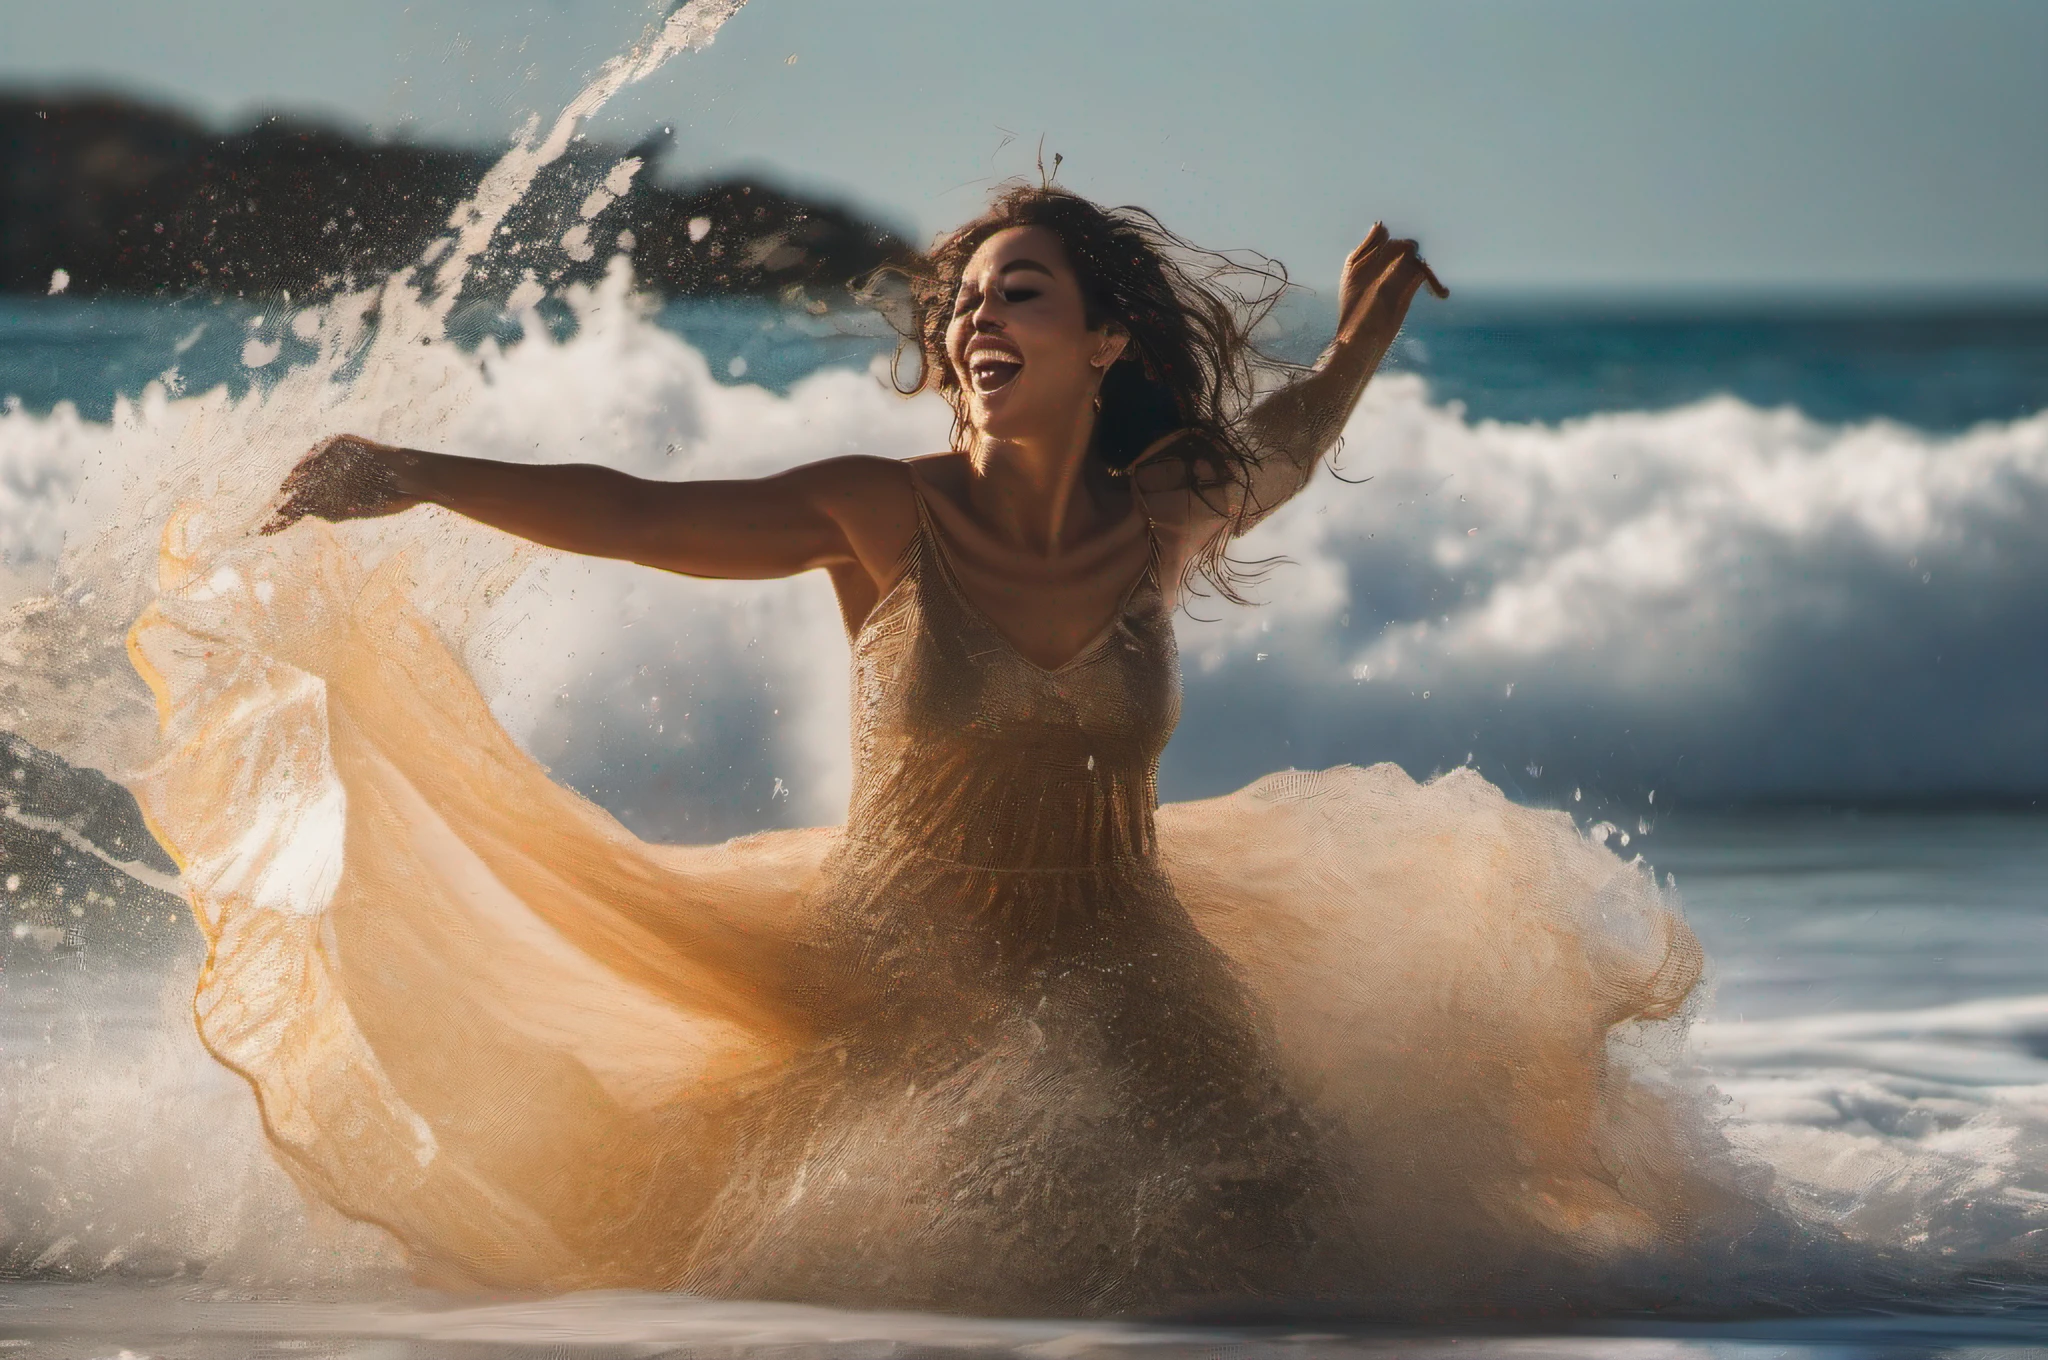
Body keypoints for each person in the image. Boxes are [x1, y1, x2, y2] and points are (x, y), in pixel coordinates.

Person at [130, 185, 1707, 1316]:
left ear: (1101, 346)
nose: (975, 319)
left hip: (1124, 955)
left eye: (1020, 293)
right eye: (965, 301)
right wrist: (409, 470)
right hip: (899, 959)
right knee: (864, 1259)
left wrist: (1363, 328)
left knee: (1282, 1233)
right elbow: (638, 512)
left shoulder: (1163, 515)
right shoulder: (879, 515)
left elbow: (1283, 444)